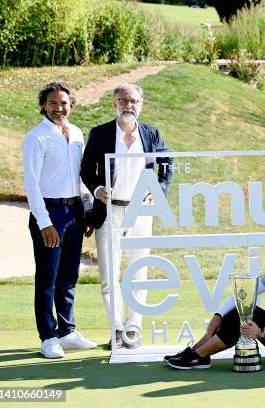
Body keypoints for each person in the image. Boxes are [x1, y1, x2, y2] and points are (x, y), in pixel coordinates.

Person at [81, 83, 173, 349]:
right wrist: (97, 189)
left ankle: (134, 327)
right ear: (114, 104)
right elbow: (86, 168)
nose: (128, 105)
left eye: (133, 100)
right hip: (109, 211)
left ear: (141, 104)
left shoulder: (151, 134)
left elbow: (167, 161)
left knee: (139, 270)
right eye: (123, 100)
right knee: (109, 273)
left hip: (140, 210)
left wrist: (159, 189)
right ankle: (117, 329)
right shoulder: (100, 134)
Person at [165, 227, 265, 369]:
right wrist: (219, 315)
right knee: (238, 309)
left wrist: (261, 332)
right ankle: (196, 351)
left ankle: (199, 356)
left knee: (249, 313)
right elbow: (246, 293)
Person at [22, 82, 97, 359]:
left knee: (69, 276)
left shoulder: (76, 133)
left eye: (63, 103)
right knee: (48, 278)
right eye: (52, 103)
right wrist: (44, 222)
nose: (58, 108)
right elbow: (31, 185)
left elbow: (80, 177)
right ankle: (48, 336)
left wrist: (86, 212)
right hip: (49, 211)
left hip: (74, 211)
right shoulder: (36, 138)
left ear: (71, 105)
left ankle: (67, 331)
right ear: (44, 105)